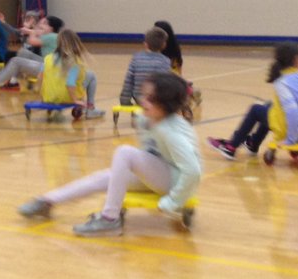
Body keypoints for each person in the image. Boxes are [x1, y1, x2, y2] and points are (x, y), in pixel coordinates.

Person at [17, 72, 201, 235]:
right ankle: (47, 201)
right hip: (163, 174)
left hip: (176, 180)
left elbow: (193, 170)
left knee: (125, 153)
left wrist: (173, 202)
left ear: (166, 105)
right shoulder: (149, 119)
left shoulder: (170, 130)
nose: (144, 101)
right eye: (145, 96)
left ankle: (109, 219)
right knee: (107, 176)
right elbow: (150, 156)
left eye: (151, 99)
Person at [206, 41, 298, 159]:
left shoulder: (282, 82)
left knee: (255, 110)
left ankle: (231, 147)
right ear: (296, 60)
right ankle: (253, 143)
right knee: (269, 106)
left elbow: (293, 112)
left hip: (294, 133)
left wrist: (291, 140)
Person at [0, 15, 62, 93]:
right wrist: (28, 29)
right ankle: (13, 82)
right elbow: (34, 32)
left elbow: (31, 41)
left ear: (51, 28)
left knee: (16, 61)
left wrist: (31, 32)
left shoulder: (50, 36)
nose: (41, 25)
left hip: (48, 69)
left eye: (45, 24)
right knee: (23, 52)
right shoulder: (52, 35)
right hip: (48, 64)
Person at [119, 27, 172, 106]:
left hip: (139, 99)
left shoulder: (136, 58)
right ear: (164, 45)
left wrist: (124, 100)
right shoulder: (165, 61)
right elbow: (165, 84)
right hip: (158, 100)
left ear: (145, 44)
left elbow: (128, 81)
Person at [38, 29, 91, 106]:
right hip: (66, 98)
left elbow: (40, 77)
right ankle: (91, 108)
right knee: (91, 76)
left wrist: (43, 95)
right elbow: (70, 83)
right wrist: (75, 100)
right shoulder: (74, 61)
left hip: (48, 97)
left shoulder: (47, 58)